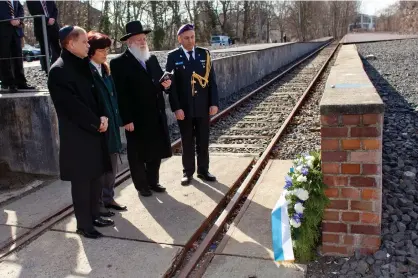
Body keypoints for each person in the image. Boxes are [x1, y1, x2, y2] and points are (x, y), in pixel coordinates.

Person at [47, 25, 114, 239]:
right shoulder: (59, 70)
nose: (88, 45)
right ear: (70, 43)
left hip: (95, 130)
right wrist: (97, 122)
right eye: (85, 41)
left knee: (96, 176)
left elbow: (97, 95)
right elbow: (72, 106)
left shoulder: (83, 64)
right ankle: (84, 225)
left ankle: (95, 215)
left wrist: (103, 116)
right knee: (82, 181)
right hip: (78, 136)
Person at [110, 21, 172, 197]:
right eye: (139, 40)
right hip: (136, 117)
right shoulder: (119, 63)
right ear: (129, 42)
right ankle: (141, 185)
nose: (143, 42)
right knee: (137, 153)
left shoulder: (150, 59)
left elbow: (158, 82)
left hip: (156, 113)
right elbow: (120, 94)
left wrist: (166, 85)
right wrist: (126, 119)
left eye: (144, 39)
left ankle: (153, 181)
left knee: (156, 149)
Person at [165, 23, 219, 186]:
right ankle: (187, 172)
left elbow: (212, 82)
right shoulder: (173, 57)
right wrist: (176, 108)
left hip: (203, 106)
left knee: (203, 140)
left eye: (192, 37)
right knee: (187, 141)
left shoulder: (205, 54)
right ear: (179, 39)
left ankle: (203, 170)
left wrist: (214, 103)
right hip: (185, 108)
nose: (190, 41)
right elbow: (170, 86)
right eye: (186, 38)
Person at [87, 31, 127, 212]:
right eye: (102, 50)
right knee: (100, 167)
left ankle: (109, 198)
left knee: (112, 165)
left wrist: (118, 119)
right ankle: (99, 203)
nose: (106, 53)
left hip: (111, 126)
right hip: (99, 127)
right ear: (92, 51)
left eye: (106, 50)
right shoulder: (87, 72)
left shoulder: (104, 70)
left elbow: (114, 97)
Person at [0, 0, 34, 93]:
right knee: (5, 58)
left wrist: (19, 19)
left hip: (16, 31)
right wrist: (9, 19)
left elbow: (20, 9)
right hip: (3, 31)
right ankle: (8, 84)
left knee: (18, 57)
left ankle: (21, 83)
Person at [26, 0, 61, 74]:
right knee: (45, 50)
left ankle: (62, 67)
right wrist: (47, 20)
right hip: (41, 28)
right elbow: (34, 13)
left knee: (58, 48)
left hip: (53, 27)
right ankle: (48, 70)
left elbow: (55, 10)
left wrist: (53, 19)